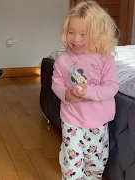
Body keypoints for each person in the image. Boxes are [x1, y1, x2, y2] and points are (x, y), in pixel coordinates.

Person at [51, 1, 119, 179]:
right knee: (72, 163)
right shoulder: (63, 59)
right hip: (72, 120)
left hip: (98, 122)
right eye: (71, 32)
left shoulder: (105, 59)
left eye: (83, 34)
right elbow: (56, 83)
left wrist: (88, 91)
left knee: (95, 164)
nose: (76, 39)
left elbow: (111, 87)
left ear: (98, 35)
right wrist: (66, 94)